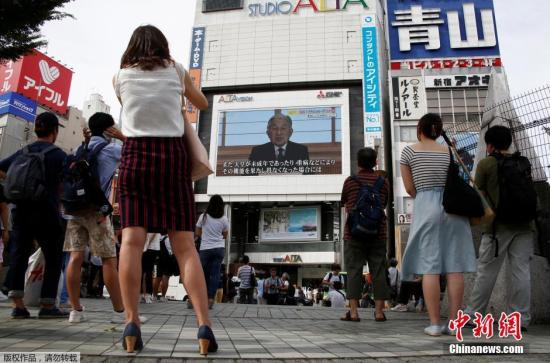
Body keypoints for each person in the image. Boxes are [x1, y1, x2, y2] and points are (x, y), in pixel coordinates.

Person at [114, 25, 215, 354]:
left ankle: (131, 321)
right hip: (171, 157)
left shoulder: (120, 76)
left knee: (131, 241)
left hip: (134, 157)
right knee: (184, 245)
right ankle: (203, 325)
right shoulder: (176, 70)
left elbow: (130, 108)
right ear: (163, 47)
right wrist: (182, 96)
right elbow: (201, 102)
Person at [400, 113, 476, 336]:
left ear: (419, 129)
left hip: (426, 206)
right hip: (453, 208)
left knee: (430, 267)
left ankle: (434, 324)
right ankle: (454, 325)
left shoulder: (409, 151)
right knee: (455, 268)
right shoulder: (449, 151)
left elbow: (409, 189)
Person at [464, 125, 536, 331]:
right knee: (521, 272)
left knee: (486, 271)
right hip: (524, 224)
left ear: (490, 145)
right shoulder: (522, 163)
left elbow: (477, 194)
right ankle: (520, 319)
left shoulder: (486, 164)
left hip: (497, 227)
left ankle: (474, 314)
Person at [63, 112, 130, 323]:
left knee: (75, 258)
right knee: (109, 260)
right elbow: (137, 152)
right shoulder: (111, 149)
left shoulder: (80, 148)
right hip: (97, 212)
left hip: (74, 210)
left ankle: (76, 311)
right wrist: (123, 137)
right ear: (109, 129)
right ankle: (120, 313)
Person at [0, 112, 68, 318]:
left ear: (37, 129)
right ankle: (47, 306)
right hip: (47, 211)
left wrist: (16, 186)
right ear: (55, 131)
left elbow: (1, 168)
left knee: (19, 255)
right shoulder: (59, 155)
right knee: (53, 256)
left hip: (20, 210)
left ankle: (18, 306)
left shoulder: (23, 152)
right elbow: (67, 184)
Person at [340, 147, 391, 323]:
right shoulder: (383, 182)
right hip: (378, 233)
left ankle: (353, 313)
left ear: (358, 162)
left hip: (354, 234)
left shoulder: (350, 181)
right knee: (378, 272)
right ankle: (378, 312)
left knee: (354, 271)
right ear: (375, 162)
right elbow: (383, 204)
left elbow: (344, 202)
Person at [196, 195, 229, 309]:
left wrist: (205, 237)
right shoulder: (224, 219)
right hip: (219, 248)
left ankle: (201, 298)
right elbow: (225, 235)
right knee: (215, 275)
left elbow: (197, 232)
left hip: (205, 249)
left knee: (203, 274)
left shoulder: (203, 217)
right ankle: (210, 299)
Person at [141, 233, 160, 304]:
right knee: (145, 271)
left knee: (146, 271)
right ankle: (145, 294)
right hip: (151, 247)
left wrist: (146, 244)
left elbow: (153, 232)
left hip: (149, 247)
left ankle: (146, 294)